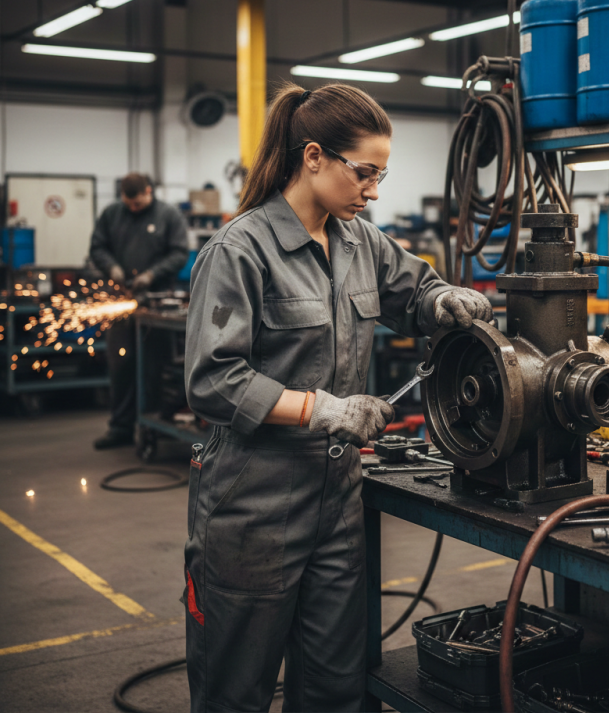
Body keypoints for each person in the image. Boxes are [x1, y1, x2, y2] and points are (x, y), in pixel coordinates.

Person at [182, 82, 493, 713]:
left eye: (383, 174)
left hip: (337, 507)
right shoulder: (239, 251)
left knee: (335, 692)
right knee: (234, 693)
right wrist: (323, 409)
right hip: (252, 508)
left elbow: (415, 289)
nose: (374, 191)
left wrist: (440, 301)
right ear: (314, 156)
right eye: (366, 173)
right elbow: (213, 379)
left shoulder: (360, 242)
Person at [90, 172, 189, 449]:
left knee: (154, 366)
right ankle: (121, 427)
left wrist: (151, 274)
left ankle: (156, 426)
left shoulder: (168, 216)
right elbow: (97, 247)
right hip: (120, 305)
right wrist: (112, 268)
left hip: (155, 304)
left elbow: (180, 253)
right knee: (121, 363)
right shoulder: (112, 214)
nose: (133, 208)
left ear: (149, 191)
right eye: (128, 203)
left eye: (137, 203)